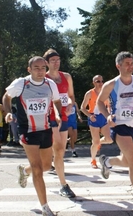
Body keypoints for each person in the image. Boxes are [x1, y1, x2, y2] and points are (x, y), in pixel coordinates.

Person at [3, 56, 63, 216]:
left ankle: (24, 171)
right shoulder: (21, 83)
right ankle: (45, 207)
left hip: (45, 129)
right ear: (29, 69)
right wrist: (8, 113)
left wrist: (57, 114)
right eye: (36, 68)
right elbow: (6, 97)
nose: (40, 71)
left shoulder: (50, 84)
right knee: (37, 169)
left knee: (46, 166)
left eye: (43, 67)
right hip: (27, 130)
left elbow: (57, 102)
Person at [97, 51, 133, 211]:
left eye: (132, 63)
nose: (131, 66)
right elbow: (99, 102)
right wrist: (108, 116)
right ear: (118, 66)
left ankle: (107, 162)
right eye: (127, 63)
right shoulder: (111, 84)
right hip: (119, 125)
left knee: (127, 161)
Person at [43, 49, 76, 198]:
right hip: (49, 118)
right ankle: (64, 185)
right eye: (53, 61)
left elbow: (70, 96)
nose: (56, 63)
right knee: (57, 149)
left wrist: (70, 104)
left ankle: (26, 171)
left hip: (63, 116)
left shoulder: (66, 76)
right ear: (47, 63)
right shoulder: (43, 77)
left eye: (58, 60)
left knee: (60, 151)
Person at [81, 75, 113, 168]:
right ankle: (93, 160)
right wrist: (90, 116)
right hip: (94, 118)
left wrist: (109, 114)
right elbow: (82, 108)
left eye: (101, 81)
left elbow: (109, 105)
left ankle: (99, 143)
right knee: (95, 142)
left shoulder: (105, 93)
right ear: (93, 82)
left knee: (109, 140)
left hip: (104, 117)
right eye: (98, 81)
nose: (100, 83)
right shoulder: (89, 93)